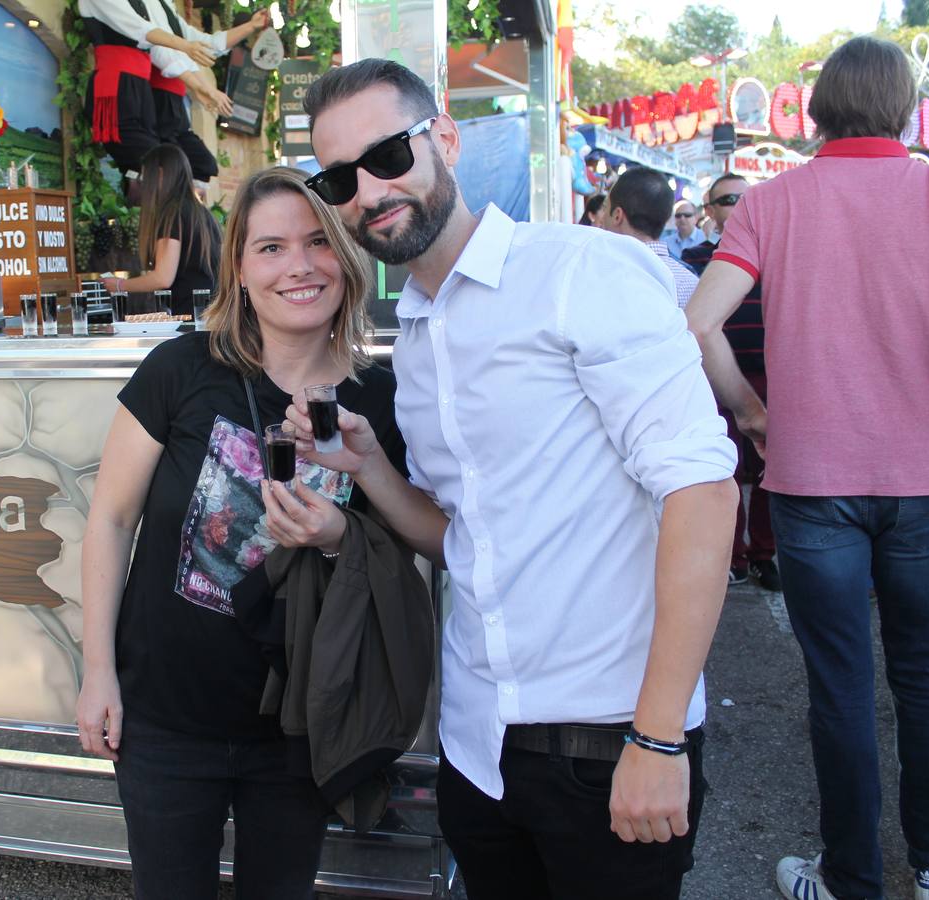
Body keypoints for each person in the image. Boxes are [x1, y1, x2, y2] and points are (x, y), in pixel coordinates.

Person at [300, 58, 739, 899]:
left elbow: (703, 492)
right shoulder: (419, 337)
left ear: (447, 140)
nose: (369, 190)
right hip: (480, 751)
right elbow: (464, 534)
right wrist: (372, 471)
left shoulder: (581, 273)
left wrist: (658, 740)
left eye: (389, 155)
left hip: (610, 742)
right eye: (339, 177)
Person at [686, 35, 929, 900]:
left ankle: (849, 877)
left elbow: (697, 325)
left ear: (820, 109)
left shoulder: (771, 203)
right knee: (927, 679)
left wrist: (753, 413)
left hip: (810, 483)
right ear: (902, 104)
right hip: (926, 482)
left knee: (839, 686)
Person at [78, 165, 406, 900]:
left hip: (301, 727)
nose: (299, 265)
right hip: (164, 719)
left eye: (319, 241)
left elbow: (405, 548)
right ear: (239, 268)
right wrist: (98, 671)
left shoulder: (378, 398)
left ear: (346, 259)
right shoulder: (181, 369)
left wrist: (335, 536)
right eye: (270, 247)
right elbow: (110, 518)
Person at [682, 173, 779, 591]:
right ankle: (732, 557)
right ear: (711, 209)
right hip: (713, 378)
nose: (737, 205)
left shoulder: (777, 251)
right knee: (726, 471)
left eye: (744, 197)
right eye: (727, 199)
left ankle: (763, 554)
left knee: (769, 475)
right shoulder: (694, 257)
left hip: (771, 377)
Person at [78, 0, 267, 180]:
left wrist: (251, 26)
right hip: (117, 85)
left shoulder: (160, 6)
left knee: (181, 166)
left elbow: (199, 46)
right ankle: (149, 197)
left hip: (141, 91)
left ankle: (159, 202)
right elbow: (144, 33)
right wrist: (197, 78)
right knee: (157, 165)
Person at [101, 144, 221, 316]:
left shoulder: (172, 214)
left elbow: (163, 277)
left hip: (188, 316)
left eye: (145, 177)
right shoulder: (202, 213)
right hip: (211, 313)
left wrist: (119, 285)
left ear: (160, 173)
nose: (143, 185)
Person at [604, 168, 700, 309]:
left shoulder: (601, 275)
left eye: (606, 207)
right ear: (667, 218)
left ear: (617, 215)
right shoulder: (691, 283)